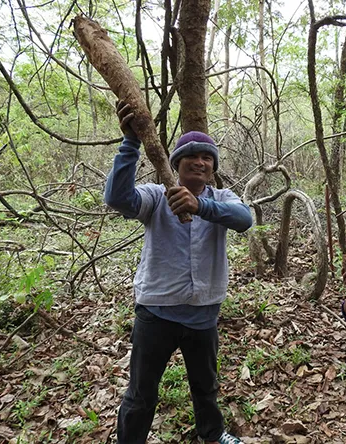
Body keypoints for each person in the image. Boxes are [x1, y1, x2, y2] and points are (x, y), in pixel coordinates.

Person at [105, 101, 252, 444]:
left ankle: (212, 434)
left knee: (205, 386)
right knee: (141, 392)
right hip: (157, 314)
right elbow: (118, 199)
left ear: (212, 167)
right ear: (176, 164)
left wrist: (199, 205)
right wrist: (130, 143)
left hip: (203, 315)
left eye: (207, 158)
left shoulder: (222, 197)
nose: (200, 162)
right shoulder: (158, 197)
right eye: (192, 157)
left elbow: (244, 220)